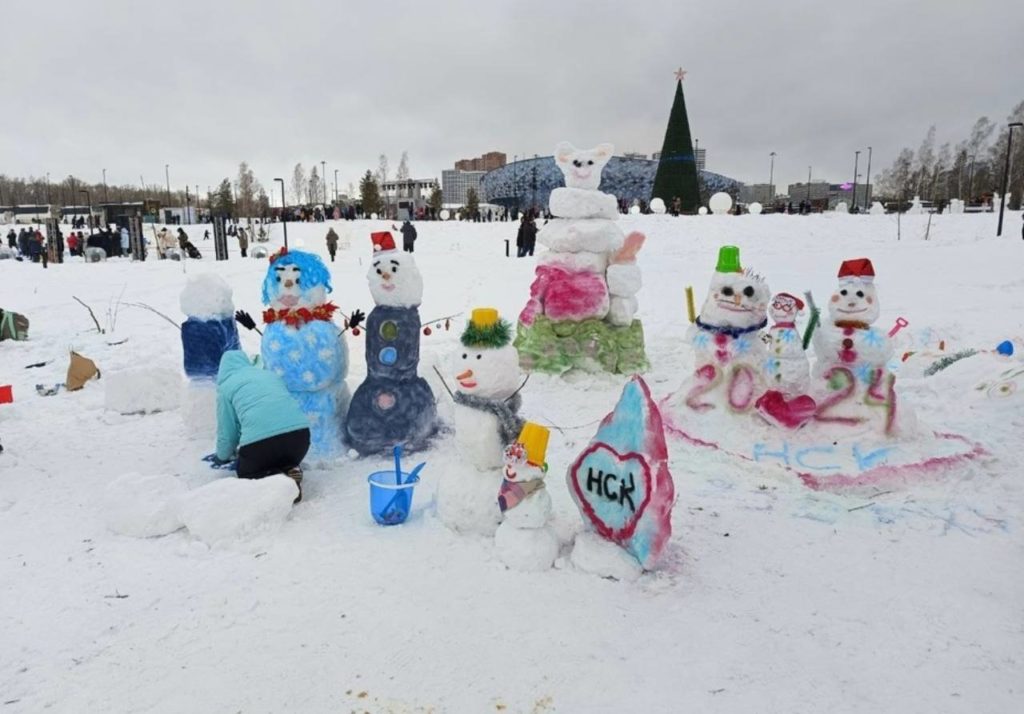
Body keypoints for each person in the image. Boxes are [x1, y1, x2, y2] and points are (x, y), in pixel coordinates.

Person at [212, 351, 310, 500]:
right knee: (279, 455)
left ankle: (281, 480)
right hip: (300, 438)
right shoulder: (269, 375)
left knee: (246, 473)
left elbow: (228, 434)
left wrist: (222, 457)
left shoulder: (226, 388)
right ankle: (290, 467)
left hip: (261, 444)